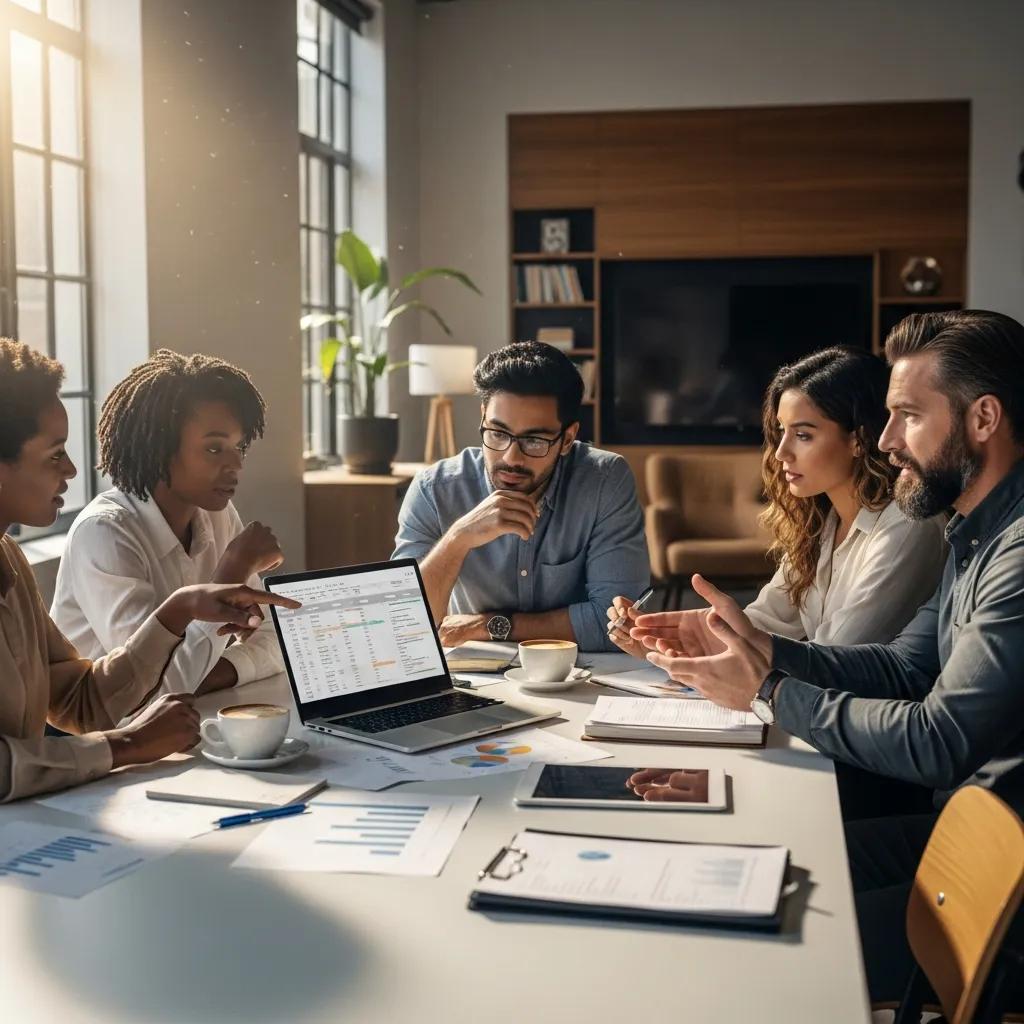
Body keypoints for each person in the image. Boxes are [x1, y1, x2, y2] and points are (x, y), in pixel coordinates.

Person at [625, 310, 1024, 1004]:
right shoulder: (970, 530)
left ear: (983, 419)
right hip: (957, 824)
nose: (889, 439)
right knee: (738, 872)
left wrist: (771, 687)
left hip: (1002, 868)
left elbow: (940, 740)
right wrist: (756, 647)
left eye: (908, 416)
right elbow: (902, 667)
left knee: (752, 943)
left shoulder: (1015, 552)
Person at [0, 339, 300, 802]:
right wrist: (128, 745)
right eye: (55, 453)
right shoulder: (105, 531)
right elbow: (133, 712)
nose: (74, 469)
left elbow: (83, 702)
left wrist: (178, 613)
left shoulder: (8, 558)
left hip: (43, 800)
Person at [608, 346, 947, 659]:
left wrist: (727, 643)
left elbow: (837, 655)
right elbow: (763, 622)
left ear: (858, 440)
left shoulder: (906, 526)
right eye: (781, 431)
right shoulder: (822, 523)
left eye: (803, 435)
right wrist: (668, 639)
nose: (782, 452)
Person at [52, 350, 285, 697]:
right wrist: (234, 568)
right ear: (160, 449)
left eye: (240, 447)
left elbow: (274, 642)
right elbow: (154, 690)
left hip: (189, 721)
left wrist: (204, 672)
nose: (236, 464)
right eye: (214, 449)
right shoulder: (104, 534)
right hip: (97, 739)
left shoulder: (218, 514)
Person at [393, 341, 649, 652]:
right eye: (498, 433)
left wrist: (485, 626)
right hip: (474, 677)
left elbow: (616, 628)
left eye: (535, 440)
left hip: (578, 676)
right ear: (483, 416)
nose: (512, 457)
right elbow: (405, 625)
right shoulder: (435, 489)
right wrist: (458, 539)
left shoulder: (604, 481)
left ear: (567, 438)